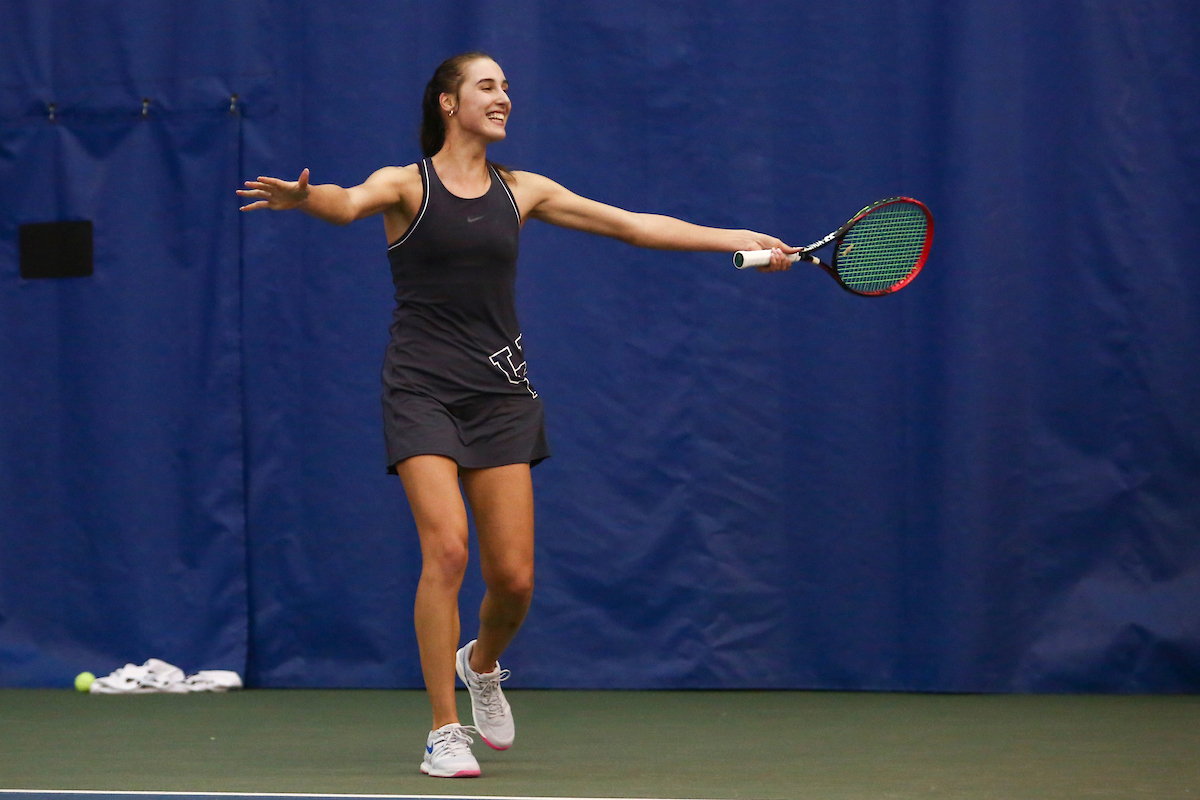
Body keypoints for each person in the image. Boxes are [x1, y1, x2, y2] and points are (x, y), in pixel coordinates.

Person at [237, 51, 795, 779]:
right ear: (447, 101)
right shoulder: (406, 185)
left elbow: (632, 226)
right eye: (487, 86)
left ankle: (483, 663)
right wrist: (304, 199)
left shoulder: (524, 190)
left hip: (500, 394)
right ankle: (443, 730)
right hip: (420, 389)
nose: (504, 97)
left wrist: (733, 237)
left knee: (515, 579)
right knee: (448, 550)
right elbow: (344, 202)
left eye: (506, 87)